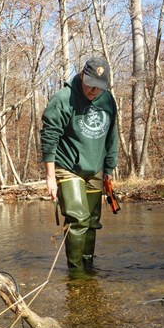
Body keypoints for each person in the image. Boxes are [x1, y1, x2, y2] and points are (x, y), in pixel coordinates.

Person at [41, 57, 118, 278]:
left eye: (100, 86)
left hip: (95, 167)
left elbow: (112, 135)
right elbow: (49, 137)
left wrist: (109, 169)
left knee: (92, 221)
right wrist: (50, 176)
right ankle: (76, 274)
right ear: (83, 74)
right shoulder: (63, 99)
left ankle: (88, 266)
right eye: (91, 84)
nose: (94, 91)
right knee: (78, 218)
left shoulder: (107, 100)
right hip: (67, 166)